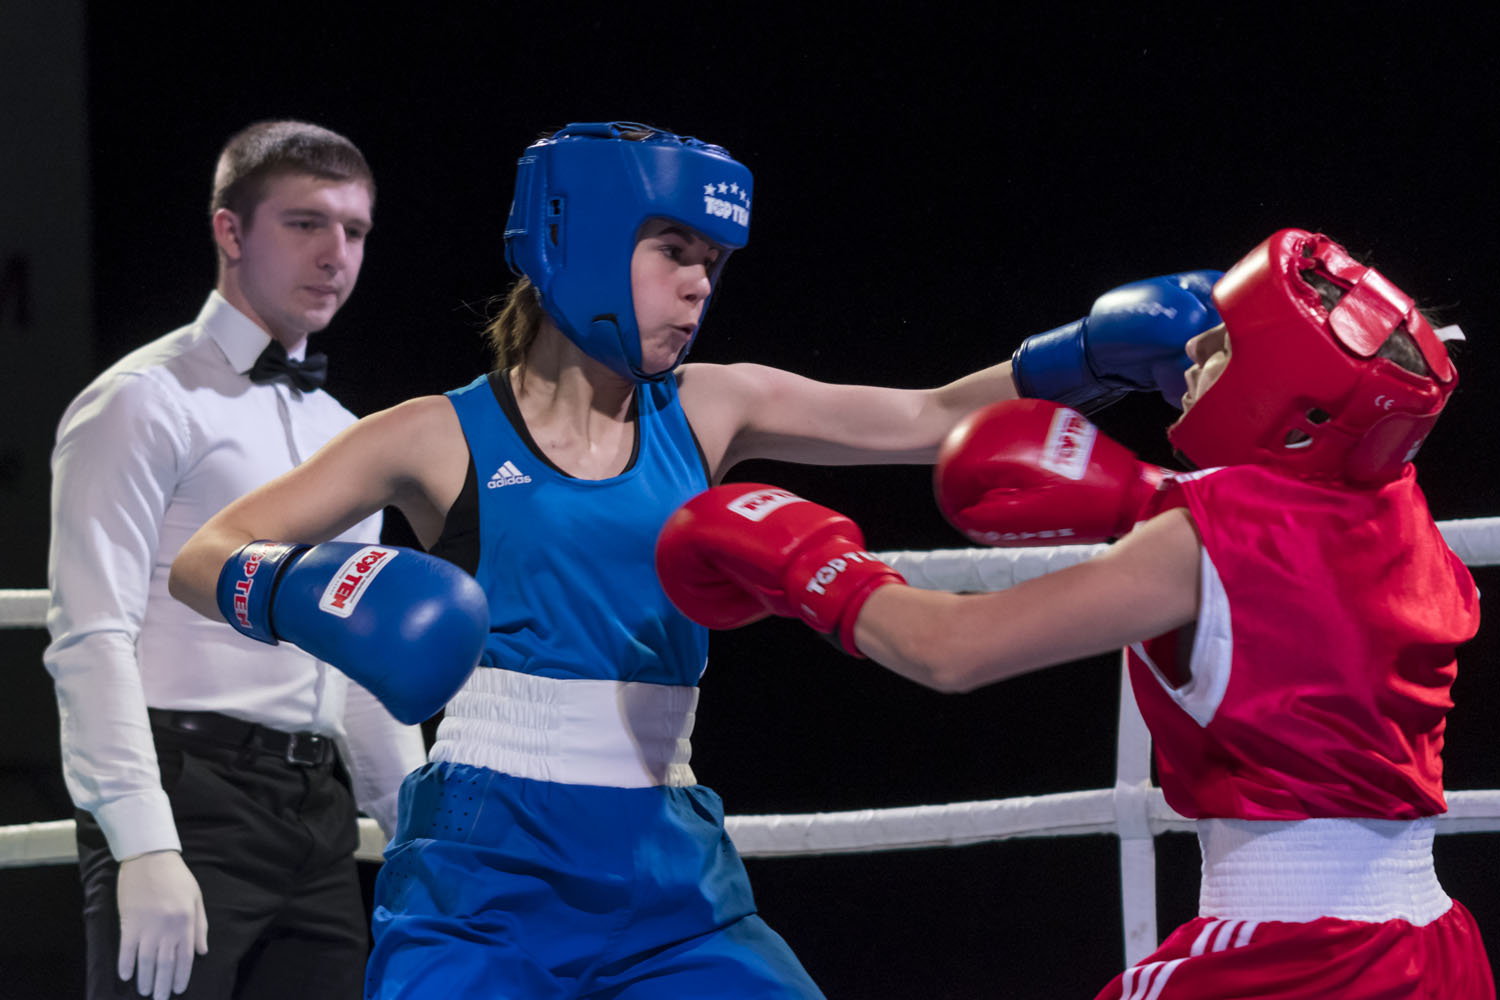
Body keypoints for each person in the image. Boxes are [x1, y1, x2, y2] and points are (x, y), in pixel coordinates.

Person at [166, 121, 1220, 998]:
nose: (698, 287)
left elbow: (930, 416)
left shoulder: (713, 406)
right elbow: (205, 554)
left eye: (712, 264)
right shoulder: (433, 434)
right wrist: (305, 590)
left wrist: (1087, 352)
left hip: (666, 871)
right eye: (674, 251)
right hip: (482, 875)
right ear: (581, 241)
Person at [658, 228, 1493, 998]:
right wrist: (1143, 498)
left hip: (1291, 957)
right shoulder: (1403, 515)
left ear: (1281, 394)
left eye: (1226, 344)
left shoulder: (1203, 540)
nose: (1193, 350)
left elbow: (952, 648)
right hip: (1436, 946)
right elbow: (1296, 568)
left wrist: (809, 559)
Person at [44, 120, 428, 1000]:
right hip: (186, 795)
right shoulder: (142, 401)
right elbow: (91, 635)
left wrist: (421, 830)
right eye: (306, 223)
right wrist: (142, 840)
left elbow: (356, 655)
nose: (335, 254)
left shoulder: (345, 433)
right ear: (231, 230)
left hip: (317, 814)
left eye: (355, 230)